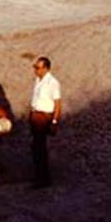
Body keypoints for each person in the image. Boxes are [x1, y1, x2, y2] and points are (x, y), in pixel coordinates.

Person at [29, 56, 62, 188]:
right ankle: (39, 176)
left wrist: (54, 122)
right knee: (36, 148)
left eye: (38, 67)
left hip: (44, 117)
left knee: (40, 148)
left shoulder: (53, 83)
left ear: (46, 68)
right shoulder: (38, 80)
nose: (35, 70)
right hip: (36, 116)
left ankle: (43, 179)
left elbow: (58, 104)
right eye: (35, 67)